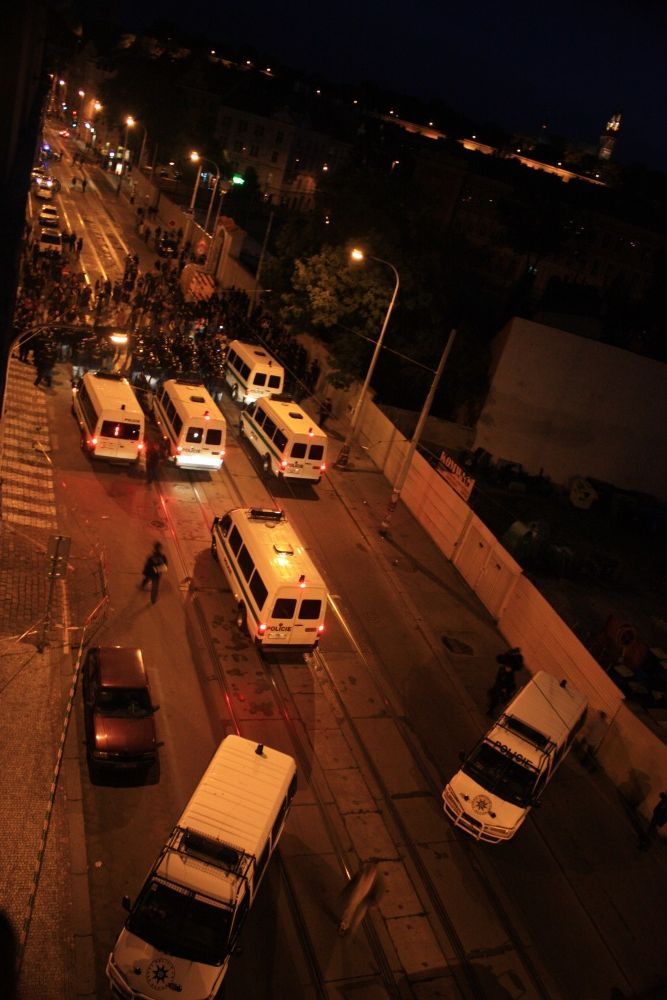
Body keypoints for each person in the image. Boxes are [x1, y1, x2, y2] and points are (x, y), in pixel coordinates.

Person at [338, 862, 384, 936]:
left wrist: (374, 902)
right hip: (356, 895)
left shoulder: (379, 880)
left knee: (358, 916)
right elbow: (353, 882)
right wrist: (346, 891)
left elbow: (379, 891)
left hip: (365, 900)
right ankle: (344, 926)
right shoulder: (363, 872)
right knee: (349, 910)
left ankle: (351, 929)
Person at [486, 649, 523, 716]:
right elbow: (500, 680)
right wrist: (503, 688)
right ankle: (490, 710)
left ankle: (491, 707)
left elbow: (509, 680)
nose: (509, 669)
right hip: (500, 687)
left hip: (502, 687)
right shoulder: (503, 672)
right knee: (496, 699)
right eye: (508, 667)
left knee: (496, 698)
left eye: (510, 667)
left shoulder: (509, 672)